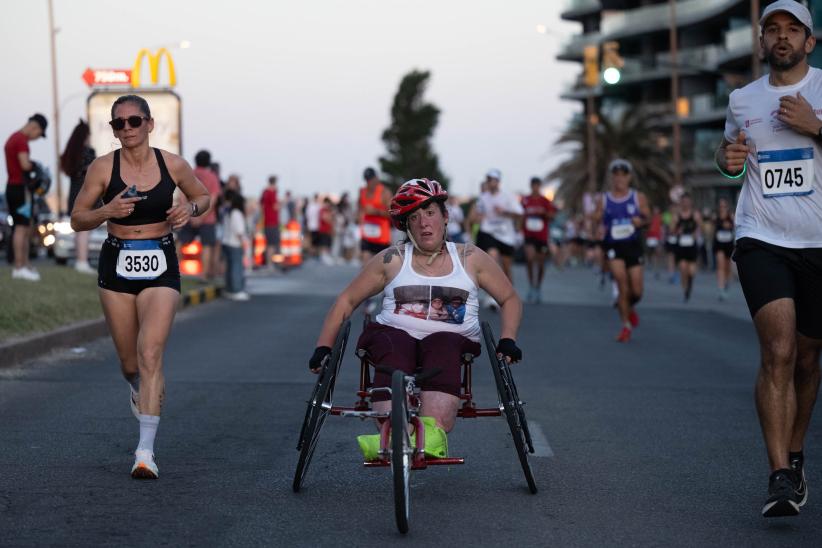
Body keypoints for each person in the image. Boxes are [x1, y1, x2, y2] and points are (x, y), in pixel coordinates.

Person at [308, 178, 522, 444]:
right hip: (394, 336)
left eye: (430, 213)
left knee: (443, 343)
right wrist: (323, 347)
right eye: (414, 217)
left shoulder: (470, 257)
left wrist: (508, 339)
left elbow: (510, 298)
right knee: (392, 344)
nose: (423, 223)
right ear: (406, 225)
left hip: (450, 341)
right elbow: (346, 301)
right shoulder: (392, 258)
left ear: (445, 217)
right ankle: (395, 434)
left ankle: (425, 435)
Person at [715, 0, 822, 518]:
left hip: (819, 243)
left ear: (810, 41)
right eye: (772, 29)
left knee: (806, 357)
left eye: (792, 30)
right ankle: (780, 474)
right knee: (778, 351)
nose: (782, 37)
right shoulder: (742, 100)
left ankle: (796, 453)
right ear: (761, 42)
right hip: (761, 237)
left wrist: (815, 126)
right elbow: (729, 155)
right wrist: (726, 160)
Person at [70, 94, 210, 479]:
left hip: (161, 260)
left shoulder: (172, 164)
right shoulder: (102, 168)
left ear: (149, 124)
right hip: (117, 261)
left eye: (134, 121)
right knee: (130, 363)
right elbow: (77, 219)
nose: (127, 129)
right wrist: (106, 211)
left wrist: (190, 209)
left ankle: (145, 452)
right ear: (113, 130)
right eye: (119, 123)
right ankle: (137, 384)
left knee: (150, 353)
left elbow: (203, 196)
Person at [593, 159, 650, 343]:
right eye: (615, 175)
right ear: (611, 178)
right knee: (621, 283)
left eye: (623, 175)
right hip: (613, 247)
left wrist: (640, 221)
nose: (619, 179)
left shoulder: (637, 197)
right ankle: (625, 325)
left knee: (637, 291)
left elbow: (648, 217)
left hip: (632, 246)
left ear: (629, 177)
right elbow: (596, 218)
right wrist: (599, 228)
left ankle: (626, 306)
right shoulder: (604, 199)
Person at [468, 169, 523, 308]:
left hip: (506, 235)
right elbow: (476, 214)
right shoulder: (483, 197)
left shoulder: (507, 197)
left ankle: (510, 295)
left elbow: (520, 214)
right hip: (489, 232)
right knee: (492, 257)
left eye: (492, 179)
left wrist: (504, 212)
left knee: (506, 267)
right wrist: (476, 218)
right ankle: (491, 296)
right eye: (488, 179)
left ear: (498, 181)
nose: (490, 182)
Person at [4, 113, 47, 281]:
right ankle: (19, 267)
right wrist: (36, 166)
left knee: (25, 227)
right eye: (39, 134)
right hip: (19, 189)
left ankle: (25, 265)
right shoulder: (21, 140)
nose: (36, 138)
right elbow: (24, 164)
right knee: (21, 228)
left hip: (14, 188)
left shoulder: (13, 138)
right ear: (35, 127)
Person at [177, 150, 220, 280]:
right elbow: (212, 199)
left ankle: (175, 273)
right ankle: (204, 275)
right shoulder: (212, 177)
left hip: (189, 216)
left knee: (180, 242)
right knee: (206, 245)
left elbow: (182, 196)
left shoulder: (189, 174)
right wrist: (201, 217)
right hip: (207, 219)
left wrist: (189, 214)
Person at [61, 119, 97, 274]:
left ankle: (79, 260)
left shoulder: (71, 153)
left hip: (73, 193)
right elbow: (93, 171)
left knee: (78, 229)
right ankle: (82, 262)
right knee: (84, 229)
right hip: (85, 193)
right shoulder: (88, 152)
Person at [521, 176, 557, 304]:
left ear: (539, 186)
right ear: (531, 186)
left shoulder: (545, 201)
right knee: (530, 259)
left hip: (541, 236)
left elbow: (552, 215)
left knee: (541, 263)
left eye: (537, 185)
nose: (535, 188)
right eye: (533, 185)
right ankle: (531, 285)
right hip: (529, 235)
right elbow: (520, 215)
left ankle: (538, 286)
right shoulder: (525, 200)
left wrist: (544, 213)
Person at [672, 193, 702, 302]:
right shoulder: (677, 215)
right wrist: (676, 231)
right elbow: (671, 230)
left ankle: (689, 284)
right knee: (683, 269)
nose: (685, 204)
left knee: (691, 271)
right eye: (683, 202)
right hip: (680, 246)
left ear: (690, 203)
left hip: (691, 245)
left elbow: (700, 227)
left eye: (687, 202)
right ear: (681, 203)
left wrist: (696, 233)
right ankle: (685, 290)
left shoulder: (695, 214)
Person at [358, 167, 392, 262]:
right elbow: (360, 210)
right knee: (366, 264)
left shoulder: (385, 192)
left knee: (381, 269)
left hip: (382, 238)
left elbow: (391, 214)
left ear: (376, 178)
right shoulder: (362, 192)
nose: (369, 182)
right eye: (367, 180)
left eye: (371, 179)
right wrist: (359, 217)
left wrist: (376, 211)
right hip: (366, 236)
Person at [222, 189, 249, 301]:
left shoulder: (228, 212)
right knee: (237, 268)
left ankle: (229, 289)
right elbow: (239, 231)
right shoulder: (237, 213)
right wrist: (244, 244)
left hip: (227, 242)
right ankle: (237, 290)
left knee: (230, 268)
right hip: (235, 244)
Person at [713, 197, 735, 301]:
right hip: (719, 245)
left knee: (727, 267)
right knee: (720, 266)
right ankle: (721, 289)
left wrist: (730, 225)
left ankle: (726, 282)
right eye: (720, 206)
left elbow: (737, 228)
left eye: (724, 206)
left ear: (727, 206)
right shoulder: (715, 217)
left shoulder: (731, 216)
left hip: (729, 245)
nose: (722, 208)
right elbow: (712, 229)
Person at [260, 175, 280, 268]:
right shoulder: (272, 193)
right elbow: (276, 206)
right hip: (272, 222)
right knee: (272, 244)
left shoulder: (265, 192)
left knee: (269, 244)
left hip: (267, 221)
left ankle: (269, 263)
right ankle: (270, 263)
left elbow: (261, 204)